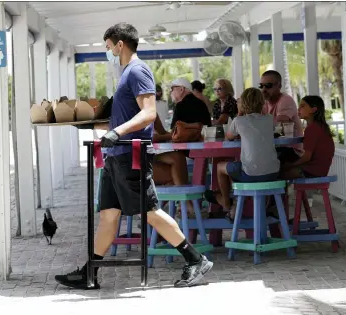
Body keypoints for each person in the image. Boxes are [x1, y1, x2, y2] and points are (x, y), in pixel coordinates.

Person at [55, 23, 213, 290]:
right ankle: (89, 273)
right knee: (108, 215)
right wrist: (83, 123)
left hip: (131, 156)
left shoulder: (137, 71)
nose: (108, 53)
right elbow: (120, 120)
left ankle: (196, 260)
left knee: (149, 212)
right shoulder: (126, 74)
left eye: (108, 47)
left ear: (120, 45)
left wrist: (117, 132)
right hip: (115, 157)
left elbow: (149, 113)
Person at [204, 88, 280, 221]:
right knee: (238, 169)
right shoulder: (269, 119)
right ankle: (239, 207)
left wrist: (239, 114)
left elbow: (229, 137)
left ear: (242, 104)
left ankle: (226, 202)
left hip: (250, 174)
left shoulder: (239, 121)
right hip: (274, 174)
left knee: (220, 166)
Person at [153, 78, 212, 218]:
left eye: (172, 89)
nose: (170, 92)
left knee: (175, 162)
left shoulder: (180, 106)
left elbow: (174, 133)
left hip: (186, 157)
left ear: (181, 89)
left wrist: (158, 137)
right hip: (204, 155)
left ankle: (178, 207)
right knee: (175, 168)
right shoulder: (201, 104)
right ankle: (185, 205)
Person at [281, 95, 335, 179]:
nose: (298, 109)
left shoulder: (312, 129)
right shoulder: (321, 126)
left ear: (313, 109)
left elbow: (307, 157)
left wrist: (290, 165)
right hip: (321, 170)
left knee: (278, 173)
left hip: (312, 171)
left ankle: (280, 192)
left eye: (302, 106)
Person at [259, 70, 304, 164]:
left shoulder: (285, 100)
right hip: (276, 148)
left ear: (279, 86)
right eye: (261, 86)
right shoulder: (264, 103)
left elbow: (279, 128)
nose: (263, 89)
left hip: (291, 151)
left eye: (268, 86)